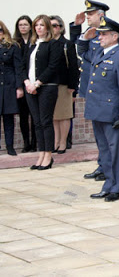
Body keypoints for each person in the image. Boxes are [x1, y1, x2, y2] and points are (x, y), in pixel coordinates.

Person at [83, 17, 119, 202]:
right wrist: (83, 38)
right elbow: (83, 52)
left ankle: (117, 187)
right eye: (100, 34)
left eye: (104, 34)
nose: (100, 37)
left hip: (111, 111)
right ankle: (108, 184)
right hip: (97, 109)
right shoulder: (99, 53)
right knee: (104, 150)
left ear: (115, 36)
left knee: (114, 150)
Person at [71, 0, 111, 182]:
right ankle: (102, 164)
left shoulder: (108, 33)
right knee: (98, 132)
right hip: (91, 88)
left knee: (106, 133)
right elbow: (79, 53)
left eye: (91, 14)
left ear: (101, 15)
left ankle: (107, 166)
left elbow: (94, 57)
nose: (87, 16)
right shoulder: (90, 34)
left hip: (103, 91)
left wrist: (85, 40)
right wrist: (77, 30)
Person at [21, 15, 63, 170]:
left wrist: (37, 83)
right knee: (37, 122)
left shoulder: (53, 44)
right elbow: (23, 66)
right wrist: (26, 82)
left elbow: (52, 67)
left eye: (42, 25)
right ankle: (41, 153)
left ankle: (48, 155)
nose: (39, 28)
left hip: (46, 87)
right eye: (36, 25)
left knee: (46, 121)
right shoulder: (31, 45)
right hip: (30, 87)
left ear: (48, 28)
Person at [50, 15, 79, 154]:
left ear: (61, 28)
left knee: (64, 115)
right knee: (54, 116)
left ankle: (63, 142)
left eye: (56, 25)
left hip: (64, 84)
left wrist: (73, 87)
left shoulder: (67, 44)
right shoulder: (47, 42)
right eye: (51, 25)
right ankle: (56, 141)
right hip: (50, 84)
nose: (54, 28)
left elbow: (74, 66)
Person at [13, 15, 36, 152]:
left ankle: (34, 143)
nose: (23, 27)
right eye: (20, 25)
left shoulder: (35, 42)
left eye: (25, 24)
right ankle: (26, 143)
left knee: (34, 115)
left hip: (33, 82)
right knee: (23, 116)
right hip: (21, 82)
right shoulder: (16, 42)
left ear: (30, 26)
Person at [0, 20, 23, 156]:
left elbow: (18, 67)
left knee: (9, 118)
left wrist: (19, 87)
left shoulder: (13, 46)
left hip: (9, 85)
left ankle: (10, 146)